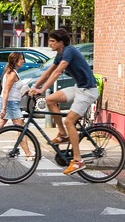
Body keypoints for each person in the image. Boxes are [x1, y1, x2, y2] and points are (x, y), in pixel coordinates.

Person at [28, 28, 99, 175]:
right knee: (49, 100)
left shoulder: (69, 51)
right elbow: (48, 72)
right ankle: (63, 134)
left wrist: (42, 89)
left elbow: (57, 72)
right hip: (78, 88)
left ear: (61, 42)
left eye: (52, 41)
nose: (50, 43)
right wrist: (34, 86)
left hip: (87, 91)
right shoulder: (60, 54)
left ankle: (78, 160)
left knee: (69, 121)